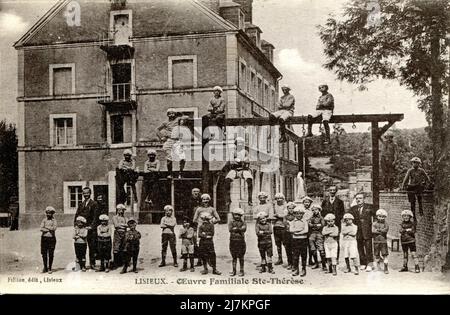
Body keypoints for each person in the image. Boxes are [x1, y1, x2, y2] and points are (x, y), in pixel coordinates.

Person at [348, 192, 375, 271]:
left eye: (360, 198)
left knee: (368, 247)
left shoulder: (369, 207)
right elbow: (348, 217)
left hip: (367, 230)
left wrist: (373, 227)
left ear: (364, 199)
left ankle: (370, 263)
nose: (358, 200)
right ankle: (363, 263)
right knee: (360, 247)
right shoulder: (353, 208)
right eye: (357, 198)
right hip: (358, 230)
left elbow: (375, 216)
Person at [156, 109, 186, 179]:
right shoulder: (165, 123)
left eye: (173, 113)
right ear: (167, 114)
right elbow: (157, 129)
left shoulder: (178, 120)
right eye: (170, 113)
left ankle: (180, 173)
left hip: (178, 141)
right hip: (170, 141)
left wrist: (180, 113)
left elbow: (185, 118)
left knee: (183, 158)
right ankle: (170, 174)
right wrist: (161, 137)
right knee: (169, 159)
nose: (171, 115)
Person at [74, 187, 99, 269]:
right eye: (84, 193)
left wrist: (91, 226)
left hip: (90, 229)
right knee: (81, 247)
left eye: (87, 193)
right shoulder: (81, 204)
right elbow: (77, 215)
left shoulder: (94, 204)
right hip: (82, 229)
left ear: (90, 193)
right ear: (82, 194)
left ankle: (92, 264)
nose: (86, 195)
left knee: (92, 247)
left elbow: (95, 217)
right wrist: (76, 225)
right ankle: (82, 264)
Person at [224, 137, 253, 206]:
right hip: (235, 170)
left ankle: (250, 199)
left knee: (250, 180)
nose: (239, 145)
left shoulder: (245, 152)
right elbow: (231, 161)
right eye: (238, 143)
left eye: (241, 144)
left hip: (244, 170)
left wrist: (239, 160)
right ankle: (228, 199)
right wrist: (239, 161)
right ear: (236, 144)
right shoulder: (233, 152)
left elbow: (247, 160)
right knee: (227, 180)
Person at [321, 186, 345, 261]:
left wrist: (336, 219)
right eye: (330, 190)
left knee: (336, 240)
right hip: (326, 224)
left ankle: (335, 258)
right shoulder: (325, 201)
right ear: (328, 191)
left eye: (333, 190)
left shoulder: (340, 202)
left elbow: (342, 213)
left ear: (336, 191)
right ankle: (327, 258)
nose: (332, 191)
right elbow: (322, 212)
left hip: (336, 224)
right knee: (326, 239)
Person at [290, 208, 309, 277]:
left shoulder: (305, 221)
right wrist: (300, 230)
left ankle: (303, 269)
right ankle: (296, 269)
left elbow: (306, 230)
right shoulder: (293, 222)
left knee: (303, 255)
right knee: (295, 255)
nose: (299, 215)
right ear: (294, 214)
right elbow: (291, 230)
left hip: (303, 240)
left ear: (303, 214)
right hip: (295, 240)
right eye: (297, 213)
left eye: (300, 213)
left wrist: (296, 232)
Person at [228, 208, 247, 277]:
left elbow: (244, 229)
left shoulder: (243, 222)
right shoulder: (231, 222)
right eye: (235, 215)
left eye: (239, 215)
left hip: (241, 241)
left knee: (241, 257)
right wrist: (239, 229)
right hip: (233, 240)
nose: (237, 216)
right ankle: (234, 270)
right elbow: (230, 229)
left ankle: (241, 270)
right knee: (234, 257)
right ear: (233, 215)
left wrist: (236, 229)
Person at [308, 204, 327, 271]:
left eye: (316, 209)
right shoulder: (311, 218)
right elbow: (309, 225)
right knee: (313, 250)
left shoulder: (321, 218)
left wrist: (314, 225)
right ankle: (316, 263)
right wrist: (315, 225)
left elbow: (322, 225)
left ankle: (324, 265)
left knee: (321, 250)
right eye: (313, 210)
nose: (314, 211)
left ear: (319, 210)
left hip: (319, 234)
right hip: (312, 234)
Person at [187, 188, 202, 266]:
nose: (196, 193)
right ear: (192, 193)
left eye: (197, 192)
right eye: (194, 191)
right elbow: (186, 211)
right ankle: (192, 254)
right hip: (191, 222)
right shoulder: (189, 201)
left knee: (199, 239)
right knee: (191, 238)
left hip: (199, 222)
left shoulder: (201, 202)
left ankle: (200, 258)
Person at [40, 206, 57, 274]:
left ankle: (50, 267)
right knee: (44, 253)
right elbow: (41, 228)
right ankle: (45, 267)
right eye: (47, 213)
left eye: (50, 213)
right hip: (44, 238)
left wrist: (46, 228)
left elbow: (54, 228)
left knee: (50, 253)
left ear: (52, 214)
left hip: (51, 238)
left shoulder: (54, 221)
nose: (48, 214)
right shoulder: (44, 220)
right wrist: (49, 228)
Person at [372, 209, 389, 274]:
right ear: (377, 216)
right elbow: (373, 231)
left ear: (385, 217)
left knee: (385, 255)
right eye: (379, 216)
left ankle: (386, 268)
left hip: (383, 242)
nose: (381, 218)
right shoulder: (374, 223)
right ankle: (378, 267)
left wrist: (378, 230)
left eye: (383, 216)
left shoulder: (386, 224)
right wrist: (380, 230)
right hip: (376, 242)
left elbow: (385, 230)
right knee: (376, 255)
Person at [273, 193, 287, 266]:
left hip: (283, 226)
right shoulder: (274, 206)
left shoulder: (285, 206)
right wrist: (277, 216)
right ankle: (280, 258)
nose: (279, 200)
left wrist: (278, 215)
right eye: (277, 198)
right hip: (276, 226)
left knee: (285, 243)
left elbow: (285, 215)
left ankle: (288, 259)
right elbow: (272, 215)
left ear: (283, 199)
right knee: (278, 243)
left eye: (280, 198)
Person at [112, 204, 127, 269]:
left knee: (124, 246)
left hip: (124, 233)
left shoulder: (125, 218)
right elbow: (116, 225)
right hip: (118, 233)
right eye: (120, 210)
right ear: (117, 210)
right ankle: (116, 263)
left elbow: (128, 225)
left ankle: (122, 262)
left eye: (123, 210)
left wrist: (121, 225)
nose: (121, 211)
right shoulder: (114, 217)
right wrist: (124, 225)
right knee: (116, 246)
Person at [283, 202, 296, 270]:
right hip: (287, 234)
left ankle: (294, 264)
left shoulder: (296, 216)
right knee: (288, 249)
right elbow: (285, 224)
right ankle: (289, 263)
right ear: (287, 209)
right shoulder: (285, 216)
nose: (291, 210)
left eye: (292, 208)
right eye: (289, 208)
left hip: (294, 234)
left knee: (294, 249)